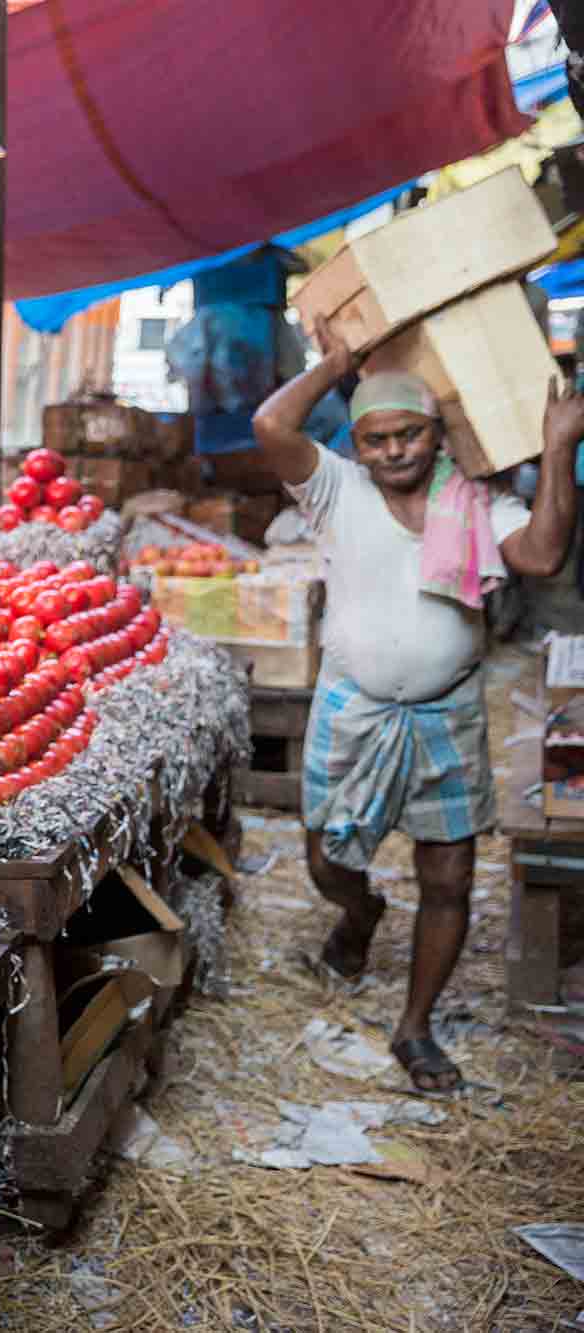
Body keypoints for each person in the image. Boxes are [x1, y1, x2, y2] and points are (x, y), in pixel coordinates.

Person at [251, 321, 583, 1092]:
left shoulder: (472, 500)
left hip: (447, 714)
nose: (394, 449)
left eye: (410, 433)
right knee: (326, 859)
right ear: (357, 443)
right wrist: (336, 361)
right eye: (376, 438)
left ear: (437, 435)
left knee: (450, 878)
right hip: (354, 707)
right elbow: (271, 424)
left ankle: (416, 1026)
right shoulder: (334, 487)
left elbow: (541, 555)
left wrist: (558, 445)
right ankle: (359, 912)